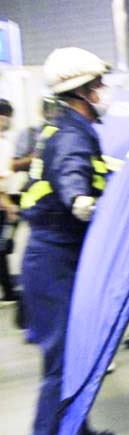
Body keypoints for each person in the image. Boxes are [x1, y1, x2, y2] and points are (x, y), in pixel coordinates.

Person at [19, 47, 116, 435]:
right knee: (60, 359)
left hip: (63, 257)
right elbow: (72, 172)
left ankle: (75, 426)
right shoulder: (71, 135)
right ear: (81, 92)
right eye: (98, 86)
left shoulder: (70, 126)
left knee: (78, 351)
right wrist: (81, 199)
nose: (104, 93)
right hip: (53, 259)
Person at [0, 98, 18, 301]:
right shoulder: (3, 144)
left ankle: (7, 289)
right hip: (3, 202)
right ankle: (8, 290)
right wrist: (8, 205)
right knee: (3, 248)